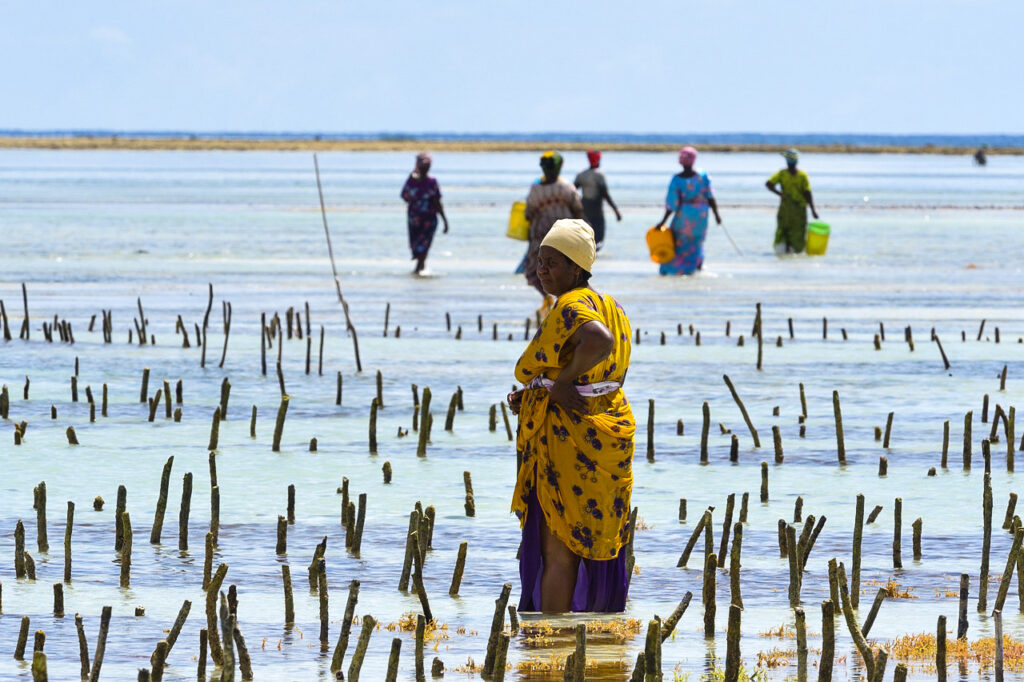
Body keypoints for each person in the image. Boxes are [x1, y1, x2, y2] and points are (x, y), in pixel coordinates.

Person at [507, 218, 635, 613]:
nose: (542, 270)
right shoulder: (610, 304)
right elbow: (603, 370)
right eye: (540, 261)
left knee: (558, 551)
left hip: (570, 436)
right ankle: (587, 643)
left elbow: (599, 341)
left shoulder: (571, 304)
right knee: (593, 545)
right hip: (608, 426)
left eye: (553, 263)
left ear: (577, 268)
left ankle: (550, 646)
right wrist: (538, 392)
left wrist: (562, 384)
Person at [653, 146, 721, 275]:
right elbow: (710, 196)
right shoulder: (703, 176)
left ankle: (675, 270)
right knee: (697, 242)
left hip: (684, 215)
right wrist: (717, 215)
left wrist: (662, 222)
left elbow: (672, 204)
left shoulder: (676, 180)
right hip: (701, 215)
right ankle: (696, 268)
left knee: (679, 242)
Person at [524, 151, 583, 299]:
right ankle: (564, 300)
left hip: (541, 239)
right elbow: (578, 210)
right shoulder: (567, 187)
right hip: (566, 238)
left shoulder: (536, 190)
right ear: (560, 166)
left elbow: (528, 214)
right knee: (566, 272)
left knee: (535, 271)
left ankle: (549, 299)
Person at [401, 152, 449, 275]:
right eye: (423, 165)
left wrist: (444, 220)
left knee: (425, 244)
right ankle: (420, 268)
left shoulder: (432, 182)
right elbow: (405, 196)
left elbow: (437, 202)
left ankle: (419, 268)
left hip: (429, 219)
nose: (425, 168)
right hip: (415, 219)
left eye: (427, 165)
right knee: (416, 244)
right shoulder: (411, 180)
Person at [765, 148, 818, 254]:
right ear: (797, 161)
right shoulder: (802, 175)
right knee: (797, 233)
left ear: (786, 161)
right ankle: (794, 254)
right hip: (799, 210)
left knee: (783, 231)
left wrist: (780, 194)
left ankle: (784, 253)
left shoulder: (782, 173)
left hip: (786, 209)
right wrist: (813, 209)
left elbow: (769, 184)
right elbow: (808, 193)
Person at [574, 150, 621, 250]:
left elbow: (572, 192)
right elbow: (605, 195)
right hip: (597, 210)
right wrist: (616, 211)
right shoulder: (599, 175)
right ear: (599, 160)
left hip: (585, 208)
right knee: (598, 237)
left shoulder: (581, 174)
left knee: (585, 234)